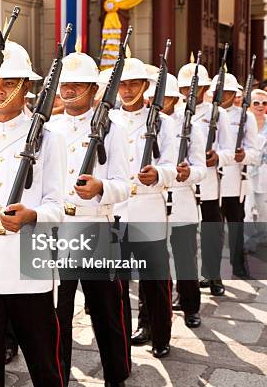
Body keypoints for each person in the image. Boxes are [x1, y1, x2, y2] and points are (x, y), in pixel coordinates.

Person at [0, 39, 64, 387]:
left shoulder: (47, 138)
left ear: (26, 87)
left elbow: (58, 206)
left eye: (8, 83)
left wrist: (32, 215)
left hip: (29, 264)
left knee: (44, 361)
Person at [48, 47, 131, 387]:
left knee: (106, 311)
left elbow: (124, 185)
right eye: (65, 84)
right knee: (57, 314)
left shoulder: (114, 128)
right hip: (54, 230)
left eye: (78, 84)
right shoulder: (49, 127)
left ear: (94, 90)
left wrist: (100, 188)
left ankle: (116, 374)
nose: (69, 90)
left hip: (94, 226)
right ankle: (59, 376)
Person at [110, 55, 177, 359]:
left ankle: (160, 335)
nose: (126, 89)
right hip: (117, 209)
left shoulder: (163, 122)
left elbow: (173, 165)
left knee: (155, 281)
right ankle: (124, 338)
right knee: (119, 284)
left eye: (133, 83)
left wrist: (160, 174)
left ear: (146, 86)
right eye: (122, 84)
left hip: (148, 207)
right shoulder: (109, 120)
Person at [149, 73, 205, 328]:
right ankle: (150, 321)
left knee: (184, 257)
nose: (162, 103)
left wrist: (189, 172)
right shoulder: (147, 122)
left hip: (181, 197)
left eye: (168, 98)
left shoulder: (190, 125)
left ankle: (191, 306)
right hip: (153, 199)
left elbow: (201, 168)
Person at [177, 60, 232, 296]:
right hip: (183, 185)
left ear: (205, 88)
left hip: (208, 182)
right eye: (185, 88)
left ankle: (212, 274)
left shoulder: (217, 114)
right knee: (184, 242)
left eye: (195, 87)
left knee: (211, 231)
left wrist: (217, 156)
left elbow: (230, 150)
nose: (190, 92)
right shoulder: (175, 115)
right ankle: (185, 287)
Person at [208, 72, 259, 278]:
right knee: (212, 231)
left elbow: (254, 152)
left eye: (228, 92)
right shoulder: (206, 114)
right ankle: (212, 273)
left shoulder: (246, 116)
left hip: (233, 182)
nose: (224, 95)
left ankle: (238, 264)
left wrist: (243, 155)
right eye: (220, 91)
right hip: (211, 181)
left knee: (235, 225)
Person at [244, 89, 267, 252]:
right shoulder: (245, 122)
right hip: (246, 171)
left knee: (264, 207)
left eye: (264, 103)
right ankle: (248, 242)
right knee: (247, 208)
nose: (260, 106)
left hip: (266, 171)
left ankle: (263, 235)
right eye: (256, 103)